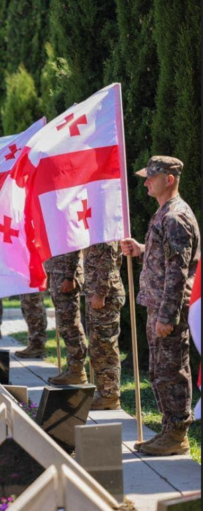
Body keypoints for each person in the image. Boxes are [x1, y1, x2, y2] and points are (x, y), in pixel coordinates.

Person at [121, 156, 200, 456]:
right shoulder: (163, 214)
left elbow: (178, 271)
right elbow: (165, 260)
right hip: (158, 306)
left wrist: (167, 315)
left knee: (172, 371)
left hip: (169, 310)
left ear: (169, 179)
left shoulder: (175, 217)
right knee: (159, 371)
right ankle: (169, 429)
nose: (146, 182)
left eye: (151, 176)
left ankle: (177, 433)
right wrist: (140, 250)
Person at [84, 242, 125, 410]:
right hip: (97, 296)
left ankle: (110, 394)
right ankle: (104, 392)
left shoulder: (106, 231)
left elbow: (108, 262)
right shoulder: (97, 229)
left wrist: (101, 293)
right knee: (97, 347)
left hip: (105, 298)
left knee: (105, 346)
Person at [46, 251, 89, 385]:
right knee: (64, 324)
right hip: (58, 272)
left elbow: (74, 245)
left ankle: (77, 370)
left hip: (65, 275)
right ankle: (73, 368)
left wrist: (70, 276)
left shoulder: (66, 228)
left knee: (70, 324)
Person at [16, 292, 49, 359]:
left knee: (33, 307)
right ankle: (35, 345)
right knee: (28, 308)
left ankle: (37, 346)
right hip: (28, 283)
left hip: (33, 283)